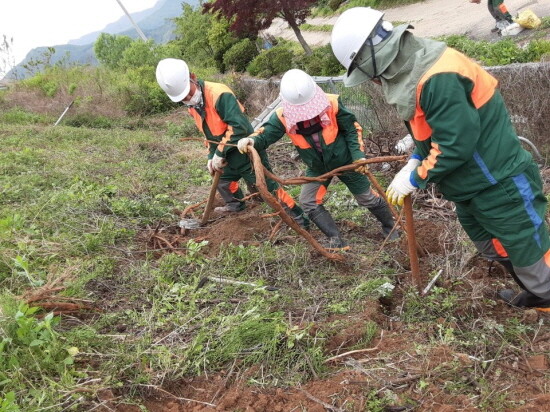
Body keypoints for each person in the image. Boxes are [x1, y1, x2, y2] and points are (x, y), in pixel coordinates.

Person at [330, 7, 550, 311]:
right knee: (494, 246)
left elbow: (455, 144)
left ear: (374, 58)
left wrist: (416, 175)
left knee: (529, 249)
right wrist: (416, 157)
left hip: (499, 183)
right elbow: (431, 133)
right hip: (469, 187)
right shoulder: (410, 72)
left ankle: (545, 298)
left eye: (365, 71)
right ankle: (537, 294)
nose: (372, 81)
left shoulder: (437, 77)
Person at [237, 69, 398, 249]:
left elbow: (352, 130)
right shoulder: (282, 117)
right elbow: (265, 136)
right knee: (308, 202)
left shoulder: (332, 105)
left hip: (346, 162)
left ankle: (391, 228)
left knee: (367, 198)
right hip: (317, 167)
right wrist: (251, 140)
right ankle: (336, 239)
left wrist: (358, 157)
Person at [155, 58, 307, 226]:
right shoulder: (193, 106)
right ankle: (236, 205)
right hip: (225, 153)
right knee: (222, 180)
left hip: (243, 149)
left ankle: (297, 217)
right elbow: (208, 133)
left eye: (189, 93)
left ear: (193, 77)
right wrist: (211, 156)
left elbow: (239, 127)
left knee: (267, 187)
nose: (188, 98)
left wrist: (219, 152)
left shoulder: (219, 94)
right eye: (183, 98)